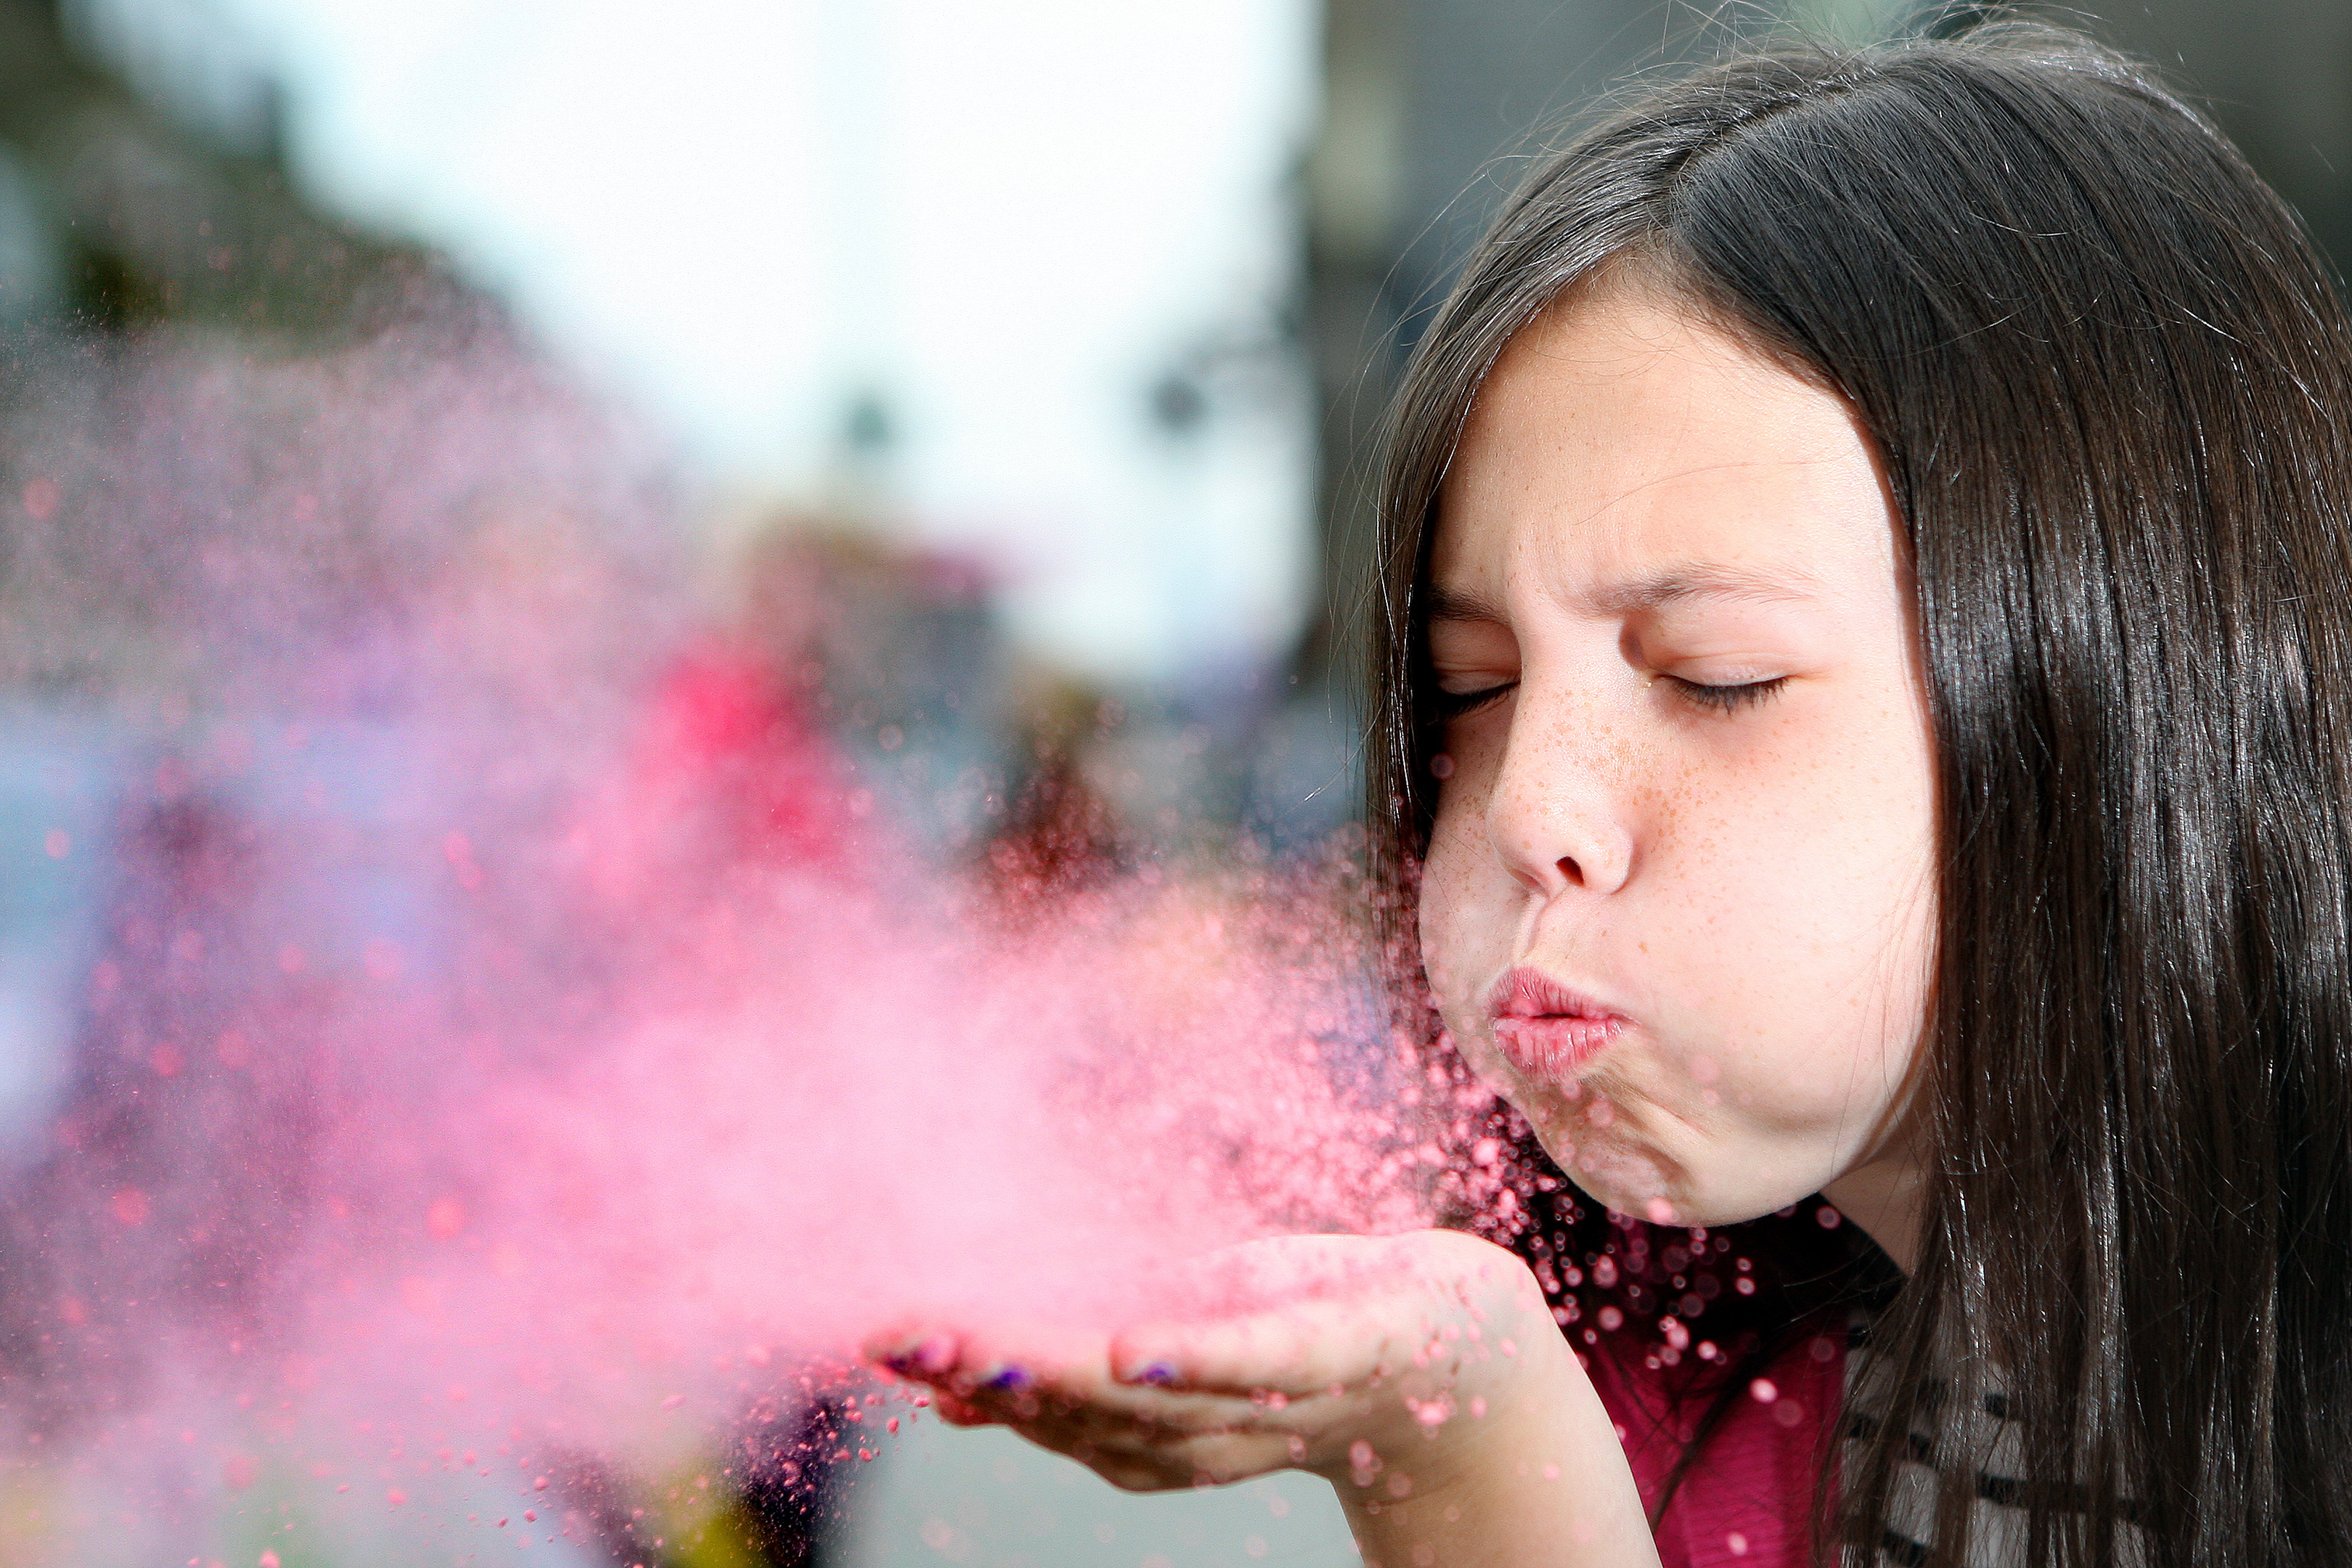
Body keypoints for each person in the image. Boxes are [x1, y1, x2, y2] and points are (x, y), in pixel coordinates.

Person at [869, 20, 2352, 1567]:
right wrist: (1461, 1426)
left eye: (1715, 675)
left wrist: (1476, 1487)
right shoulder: (1683, 1372)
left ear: (2136, 671)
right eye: (1471, 692)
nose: (1528, 813)